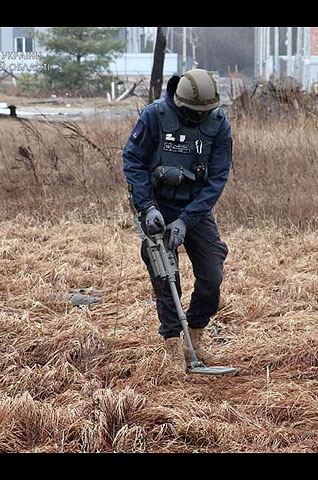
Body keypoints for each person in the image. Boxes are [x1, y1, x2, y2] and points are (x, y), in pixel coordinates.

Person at [122, 69, 232, 375]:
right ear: (180, 104)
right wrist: (147, 207)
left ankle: (194, 338)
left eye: (204, 113)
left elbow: (218, 178)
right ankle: (172, 344)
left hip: (196, 210)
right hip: (158, 207)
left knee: (211, 276)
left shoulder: (219, 125)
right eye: (192, 113)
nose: (198, 118)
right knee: (165, 277)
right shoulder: (154, 116)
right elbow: (133, 160)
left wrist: (187, 220)